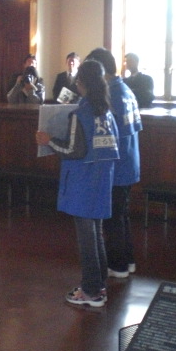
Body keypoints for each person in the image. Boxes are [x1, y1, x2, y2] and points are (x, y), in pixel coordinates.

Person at [35, 59, 119, 307]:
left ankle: (91, 291)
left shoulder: (80, 114)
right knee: (96, 233)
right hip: (102, 178)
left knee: (86, 237)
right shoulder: (106, 112)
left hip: (83, 181)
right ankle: (99, 284)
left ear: (81, 82)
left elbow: (73, 150)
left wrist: (49, 140)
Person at [86, 47, 142, 279]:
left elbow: (109, 135)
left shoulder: (112, 94)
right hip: (129, 162)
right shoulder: (125, 89)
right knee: (121, 215)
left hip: (117, 166)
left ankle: (117, 265)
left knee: (113, 218)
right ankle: (128, 260)